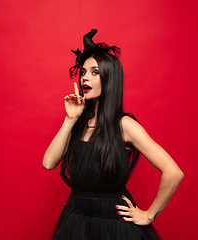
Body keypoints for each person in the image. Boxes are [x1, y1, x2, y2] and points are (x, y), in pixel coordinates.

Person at [43, 29, 183, 240]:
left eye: (95, 72)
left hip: (113, 226)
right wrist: (70, 119)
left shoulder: (125, 125)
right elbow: (48, 163)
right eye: (83, 72)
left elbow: (173, 172)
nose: (85, 78)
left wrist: (149, 215)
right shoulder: (80, 122)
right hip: (76, 221)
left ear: (110, 78)